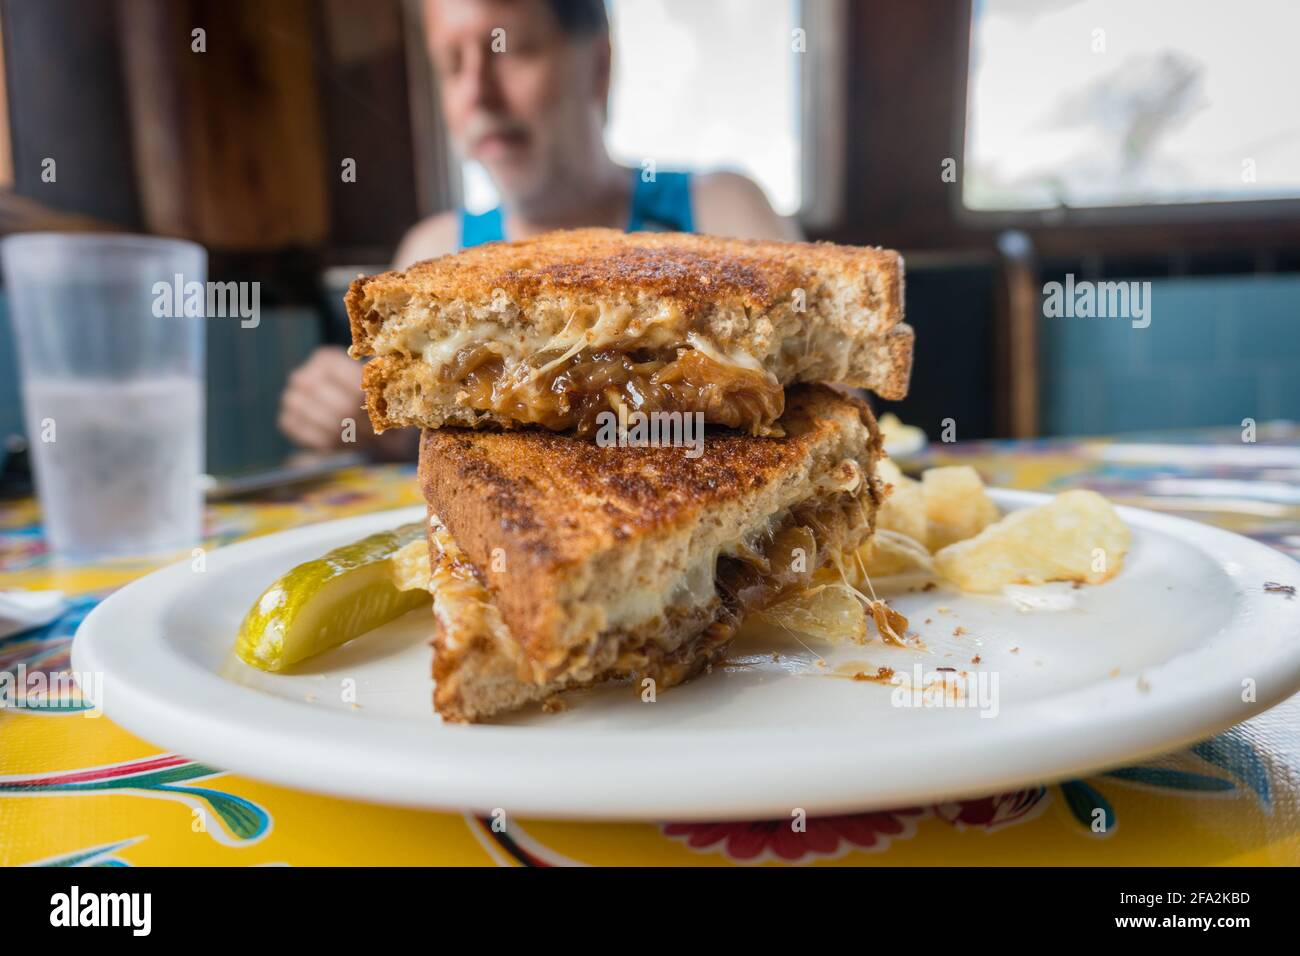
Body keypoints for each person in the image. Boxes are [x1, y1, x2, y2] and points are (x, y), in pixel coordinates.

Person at [280, 0, 797, 456]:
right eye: (451, 64)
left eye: (510, 49)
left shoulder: (721, 211)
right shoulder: (433, 250)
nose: (477, 93)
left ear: (598, 65)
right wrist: (369, 423)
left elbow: (830, 405)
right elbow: (412, 432)